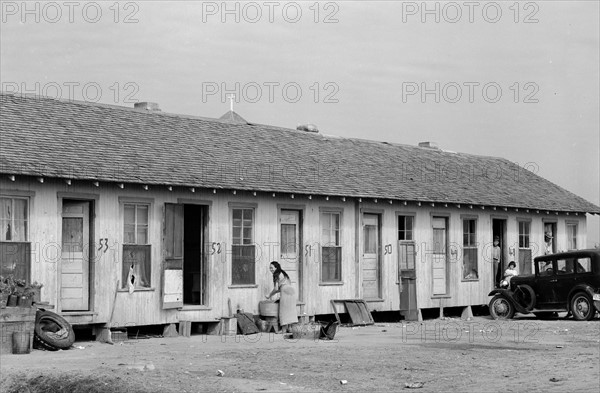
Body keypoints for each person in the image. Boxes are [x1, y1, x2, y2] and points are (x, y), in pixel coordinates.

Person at [266, 261, 298, 334]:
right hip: (292, 291)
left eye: (271, 268)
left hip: (285, 292)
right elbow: (282, 287)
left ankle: (283, 330)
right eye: (269, 268)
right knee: (291, 310)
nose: (270, 269)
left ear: (276, 267)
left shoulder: (276, 274)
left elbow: (276, 288)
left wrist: (269, 295)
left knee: (283, 311)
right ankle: (290, 328)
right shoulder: (283, 273)